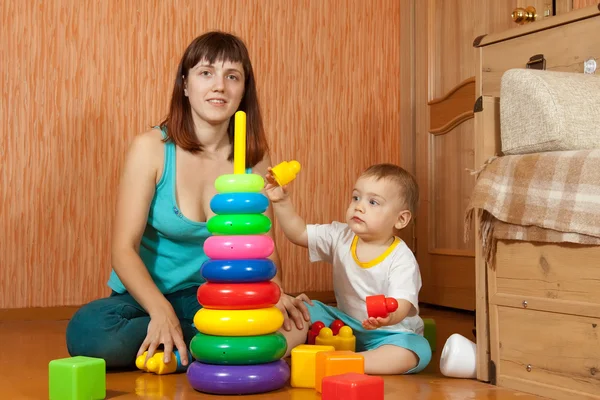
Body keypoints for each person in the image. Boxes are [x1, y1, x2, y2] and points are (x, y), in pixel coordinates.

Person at [65, 31, 312, 369]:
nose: (219, 86)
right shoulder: (150, 148)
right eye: (206, 72)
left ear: (244, 89)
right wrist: (160, 312)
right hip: (144, 299)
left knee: (295, 322)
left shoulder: (252, 157)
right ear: (185, 84)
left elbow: (261, 241)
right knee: (90, 333)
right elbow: (123, 249)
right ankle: (210, 348)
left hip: (216, 299)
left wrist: (275, 293)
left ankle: (183, 350)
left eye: (232, 76)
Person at [264, 163, 432, 375]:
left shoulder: (401, 258)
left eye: (373, 202)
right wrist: (281, 201)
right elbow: (298, 233)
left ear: (401, 219)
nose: (359, 207)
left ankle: (348, 361)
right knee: (305, 309)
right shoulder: (340, 236)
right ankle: (272, 352)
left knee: (416, 350)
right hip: (344, 322)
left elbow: (403, 304)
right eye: (356, 198)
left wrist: (389, 317)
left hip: (389, 332)